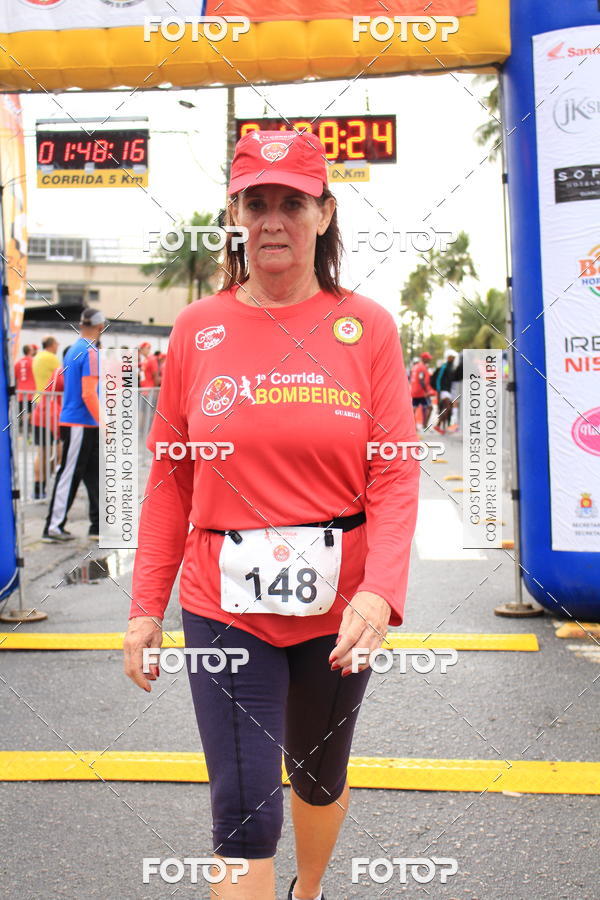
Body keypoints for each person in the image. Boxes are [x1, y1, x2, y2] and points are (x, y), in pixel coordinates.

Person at [123, 130, 420, 900]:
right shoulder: (197, 329)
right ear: (235, 213)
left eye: (292, 201)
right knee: (244, 811)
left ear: (324, 213)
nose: (273, 220)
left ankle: (309, 891)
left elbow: (392, 474)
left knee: (316, 779)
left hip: (339, 605)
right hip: (224, 605)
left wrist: (380, 590)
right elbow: (170, 481)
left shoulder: (369, 329)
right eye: (257, 202)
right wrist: (143, 609)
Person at [42, 309, 104, 543]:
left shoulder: (74, 349)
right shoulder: (90, 352)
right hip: (80, 421)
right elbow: (89, 393)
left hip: (80, 421)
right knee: (69, 474)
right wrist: (103, 422)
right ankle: (53, 526)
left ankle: (98, 525)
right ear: (101, 327)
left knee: (93, 474)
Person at [31, 336, 60, 499]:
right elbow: (63, 374)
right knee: (51, 451)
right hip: (49, 406)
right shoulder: (51, 358)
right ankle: (41, 484)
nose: (57, 346)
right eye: (56, 344)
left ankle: (39, 485)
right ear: (51, 345)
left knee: (42, 450)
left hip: (38, 399)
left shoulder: (37, 357)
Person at [431, 350, 457, 434]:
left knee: (447, 409)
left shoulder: (452, 367)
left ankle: (442, 426)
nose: (453, 359)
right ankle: (438, 426)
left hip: (449, 391)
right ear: (448, 357)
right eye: (452, 357)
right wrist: (438, 391)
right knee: (447, 408)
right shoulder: (444, 367)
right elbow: (439, 379)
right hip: (443, 391)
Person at [14, 344, 36, 426]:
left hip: (21, 393)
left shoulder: (17, 363)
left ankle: (20, 430)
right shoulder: (34, 361)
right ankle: (28, 430)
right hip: (31, 393)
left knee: (21, 413)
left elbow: (15, 377)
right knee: (30, 413)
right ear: (30, 351)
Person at [410, 351, 433, 430]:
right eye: (428, 359)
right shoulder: (422, 367)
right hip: (421, 392)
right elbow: (421, 380)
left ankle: (414, 426)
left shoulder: (415, 366)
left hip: (414, 391)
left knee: (414, 408)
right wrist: (427, 391)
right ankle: (425, 425)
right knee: (430, 407)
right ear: (423, 358)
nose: (429, 360)